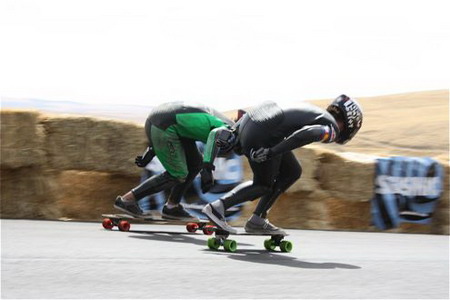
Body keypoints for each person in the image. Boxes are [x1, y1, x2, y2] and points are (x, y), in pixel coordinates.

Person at [202, 95, 363, 234]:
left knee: (292, 171)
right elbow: (307, 134)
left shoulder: (316, 111)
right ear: (350, 125)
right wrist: (271, 152)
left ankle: (258, 219)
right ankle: (218, 208)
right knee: (263, 184)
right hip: (265, 134)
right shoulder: (332, 128)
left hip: (253, 122)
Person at [114, 101, 237, 221]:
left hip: (166, 123)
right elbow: (215, 135)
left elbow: (178, 119)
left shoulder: (222, 120)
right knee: (177, 174)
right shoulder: (228, 130)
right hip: (164, 126)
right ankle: (127, 200)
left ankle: (172, 207)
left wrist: (151, 151)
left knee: (195, 164)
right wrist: (207, 169)